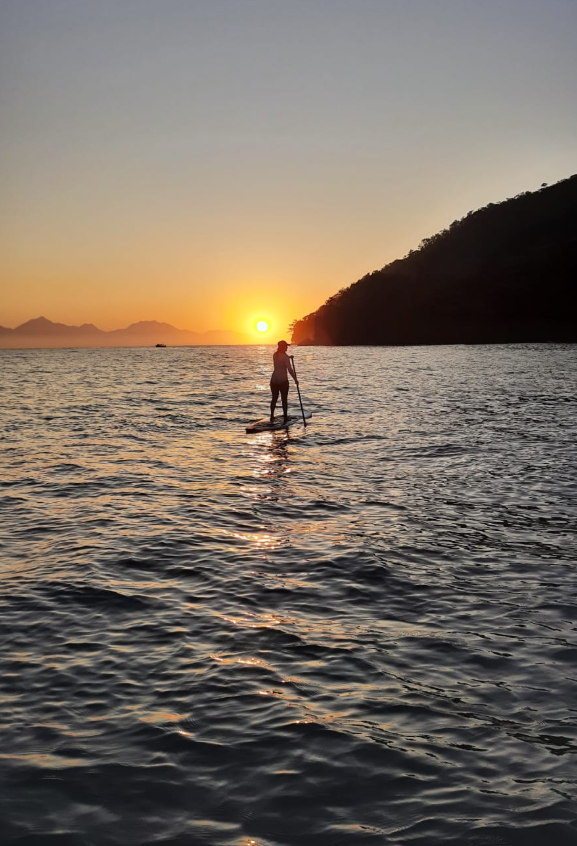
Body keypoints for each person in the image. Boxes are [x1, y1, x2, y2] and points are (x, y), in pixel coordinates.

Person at [270, 340, 298, 423]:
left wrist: (289, 357)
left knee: (274, 398)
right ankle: (285, 416)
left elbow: (281, 360)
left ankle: (272, 416)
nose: (287, 347)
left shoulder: (275, 355)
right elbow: (289, 369)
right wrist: (295, 379)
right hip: (283, 381)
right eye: (285, 346)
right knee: (284, 399)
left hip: (274, 380)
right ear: (282, 347)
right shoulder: (285, 357)